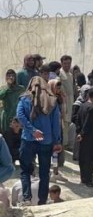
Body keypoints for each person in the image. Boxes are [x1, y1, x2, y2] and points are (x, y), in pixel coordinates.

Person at [15, 76, 63, 206]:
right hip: (46, 141)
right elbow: (56, 124)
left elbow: (20, 115)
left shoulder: (24, 98)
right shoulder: (52, 100)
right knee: (44, 172)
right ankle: (42, 200)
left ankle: (26, 198)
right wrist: (57, 141)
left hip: (28, 139)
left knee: (25, 170)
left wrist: (32, 130)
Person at [75, 86, 93, 187]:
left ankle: (84, 177)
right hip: (90, 136)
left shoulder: (83, 105)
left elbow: (77, 120)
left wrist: (79, 133)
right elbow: (88, 123)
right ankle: (88, 178)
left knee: (83, 157)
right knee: (92, 157)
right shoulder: (92, 108)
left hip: (82, 136)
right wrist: (83, 133)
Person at [0, 69, 24, 161]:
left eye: (12, 76)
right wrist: (7, 88)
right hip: (7, 117)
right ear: (6, 78)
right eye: (8, 76)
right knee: (8, 140)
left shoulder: (21, 88)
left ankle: (20, 158)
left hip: (18, 117)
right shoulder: (4, 89)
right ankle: (10, 160)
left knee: (19, 139)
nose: (11, 77)